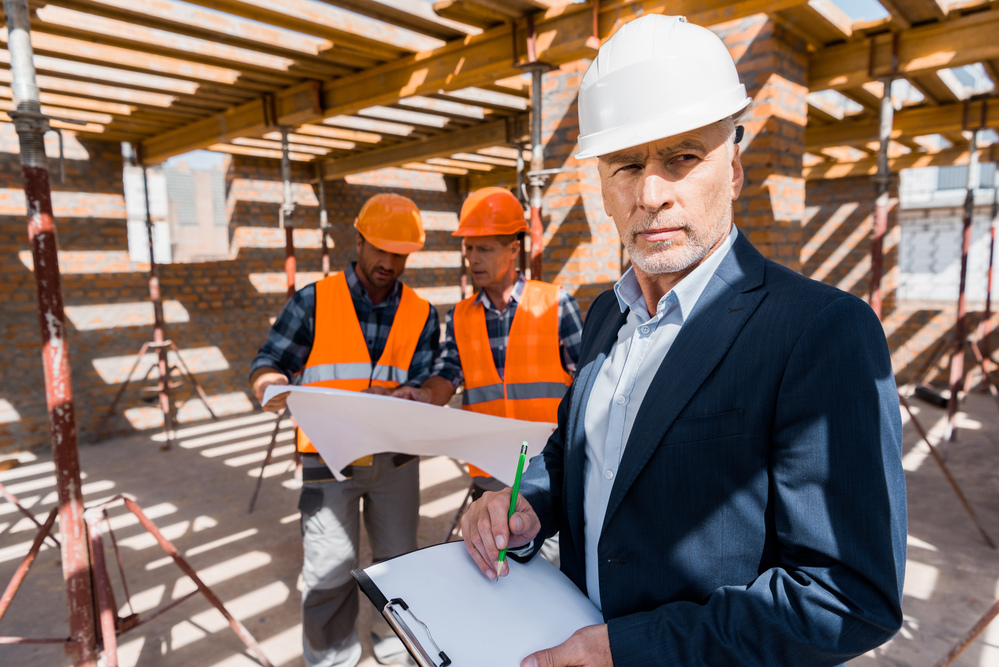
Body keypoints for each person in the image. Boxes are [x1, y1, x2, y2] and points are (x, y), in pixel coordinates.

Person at [460, 15, 906, 667]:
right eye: (625, 164)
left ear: (734, 168)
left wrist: (628, 649)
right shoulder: (605, 315)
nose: (649, 193)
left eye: (681, 158)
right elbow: (577, 454)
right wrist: (523, 502)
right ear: (602, 188)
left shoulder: (816, 332)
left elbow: (847, 598)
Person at [249, 193, 438, 667]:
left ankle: (395, 650)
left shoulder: (421, 312)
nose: (389, 262)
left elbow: (429, 378)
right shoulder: (313, 302)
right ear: (358, 241)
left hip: (394, 460)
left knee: (399, 567)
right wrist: (270, 385)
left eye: (400, 254)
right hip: (327, 458)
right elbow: (269, 361)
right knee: (329, 570)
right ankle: (331, 660)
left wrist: (420, 394)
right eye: (381, 250)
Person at [393, 187, 583, 503]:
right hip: (488, 468)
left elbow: (588, 386)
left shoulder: (556, 304)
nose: (473, 259)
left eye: (484, 248)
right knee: (493, 551)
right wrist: (425, 395)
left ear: (512, 249)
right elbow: (447, 373)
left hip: (549, 463)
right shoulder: (459, 315)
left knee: (550, 553)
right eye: (468, 248)